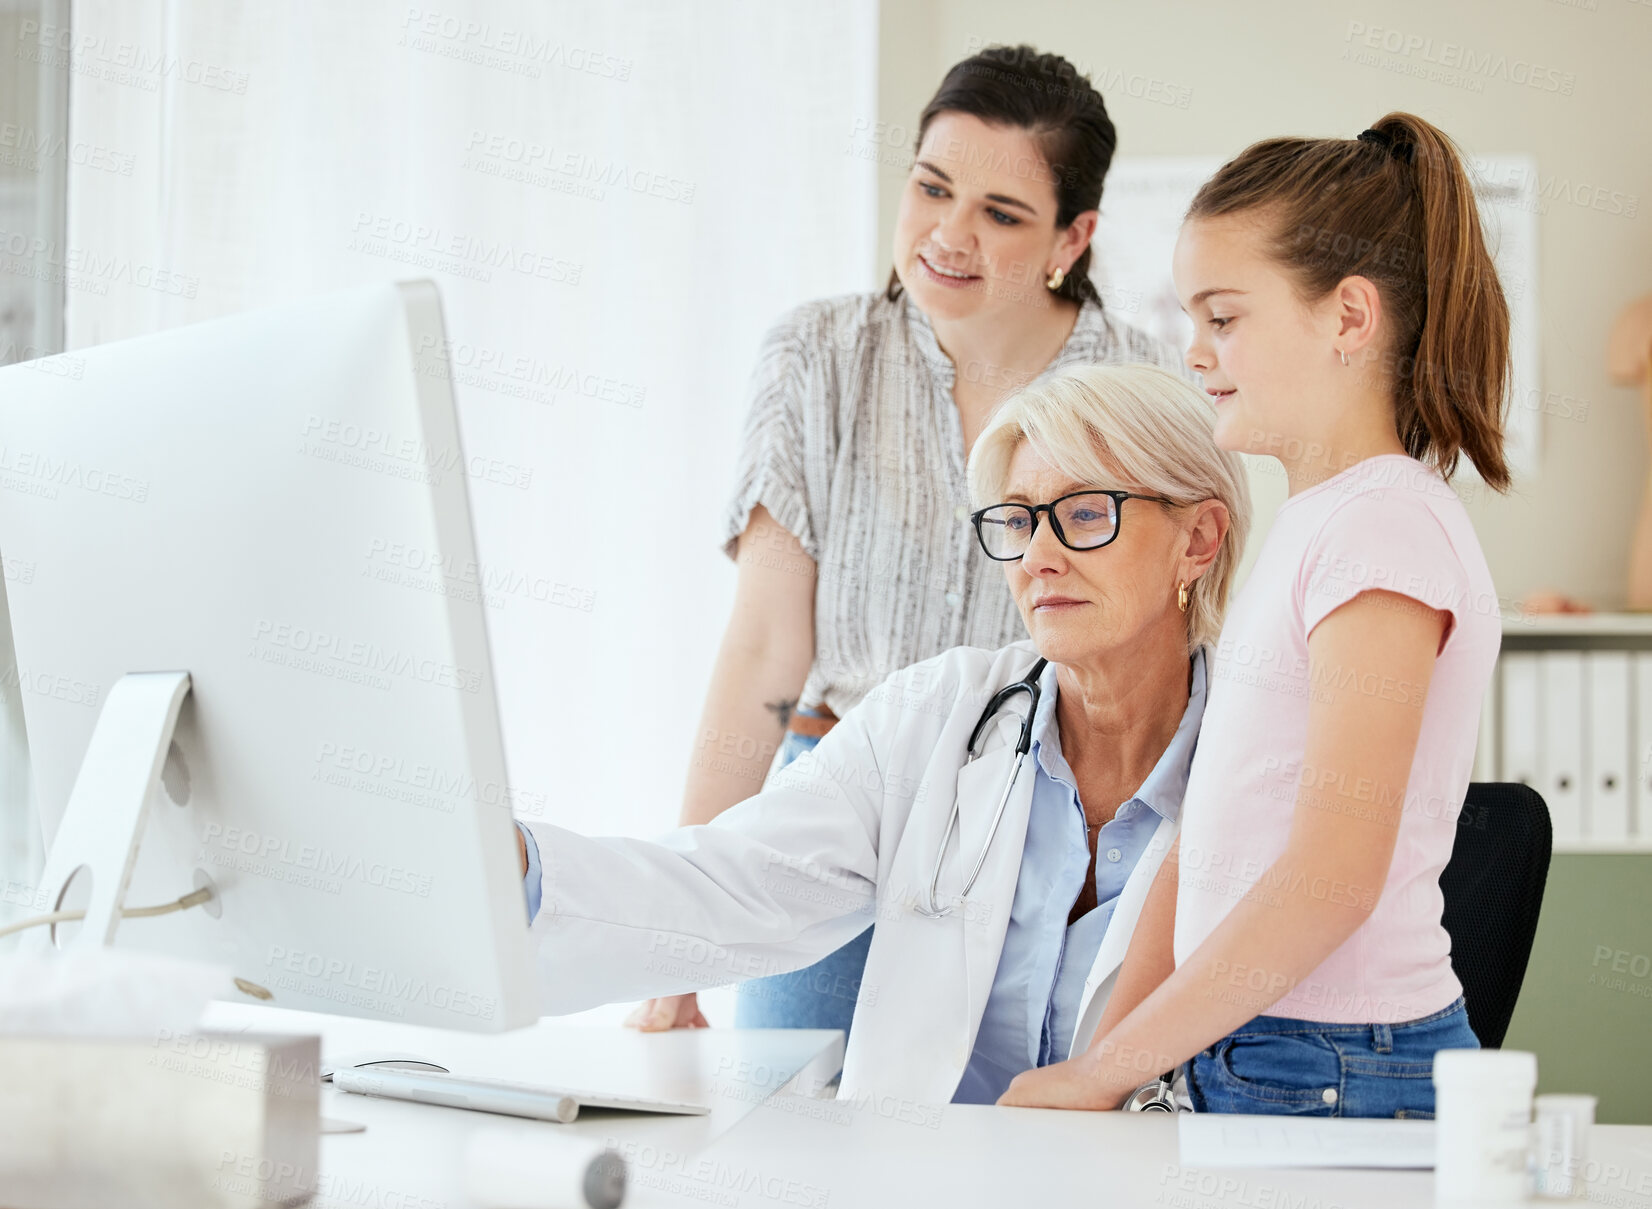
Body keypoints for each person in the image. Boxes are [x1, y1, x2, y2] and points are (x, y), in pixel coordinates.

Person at [624, 44, 1182, 1037]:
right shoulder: (817, 355)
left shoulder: (1144, 388)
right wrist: (679, 944)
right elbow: (763, 651)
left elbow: (1174, 647)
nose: (945, 235)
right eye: (930, 188)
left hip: (1043, 817)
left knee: (1025, 1147)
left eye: (1000, 215)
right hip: (841, 809)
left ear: (1072, 236)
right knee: (803, 1139)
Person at [514, 363, 1250, 1104]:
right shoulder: (936, 713)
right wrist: (514, 868)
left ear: (1198, 539)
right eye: (1021, 520)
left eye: (1087, 513)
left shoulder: (1268, 759)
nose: (1037, 556)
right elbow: (732, 885)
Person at [999, 114, 1508, 1118]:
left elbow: (1330, 877)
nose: (1194, 351)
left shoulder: (1383, 532)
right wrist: (1103, 1063)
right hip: (1259, 1048)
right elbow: (1209, 840)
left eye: (1222, 318)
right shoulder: (1318, 524)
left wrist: (1099, 1072)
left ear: (1347, 319)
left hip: (1330, 1062)